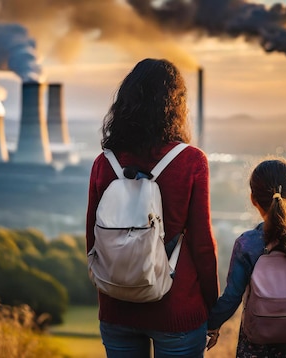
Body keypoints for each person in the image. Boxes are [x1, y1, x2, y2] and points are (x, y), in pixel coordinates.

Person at [85, 58, 219, 358]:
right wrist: (213, 306)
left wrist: (113, 289)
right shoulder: (191, 161)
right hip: (176, 309)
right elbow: (202, 245)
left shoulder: (104, 163)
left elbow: (92, 241)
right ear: (176, 106)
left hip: (116, 308)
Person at [206, 158, 286, 358]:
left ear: (253, 199)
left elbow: (232, 297)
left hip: (255, 344)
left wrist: (212, 323)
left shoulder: (246, 244)